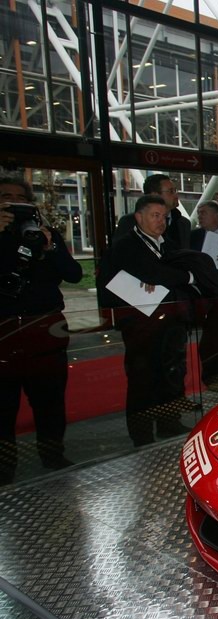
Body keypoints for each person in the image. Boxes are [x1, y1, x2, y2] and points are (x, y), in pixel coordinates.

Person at [0, 176, 82, 481]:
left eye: (19, 198)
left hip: (45, 330)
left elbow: (73, 274)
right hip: (5, 333)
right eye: (5, 198)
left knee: (49, 401)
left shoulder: (44, 235)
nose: (12, 203)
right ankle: (4, 467)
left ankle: (53, 455)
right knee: (3, 406)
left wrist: (50, 248)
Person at [108, 196, 194, 446]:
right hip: (140, 325)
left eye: (164, 217)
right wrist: (182, 276)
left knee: (171, 375)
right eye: (155, 215)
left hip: (171, 321)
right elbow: (153, 272)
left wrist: (168, 276)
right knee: (142, 381)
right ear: (139, 217)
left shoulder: (168, 245)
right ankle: (142, 434)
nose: (161, 222)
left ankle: (169, 422)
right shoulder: (126, 245)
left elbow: (170, 271)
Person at [114, 174, 191, 249]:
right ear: (154, 195)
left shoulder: (184, 223)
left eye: (175, 191)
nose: (176, 195)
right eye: (171, 191)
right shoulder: (129, 222)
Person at [190, 200, 218, 268]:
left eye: (203, 213)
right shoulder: (192, 236)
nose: (199, 216)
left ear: (216, 215)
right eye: (198, 213)